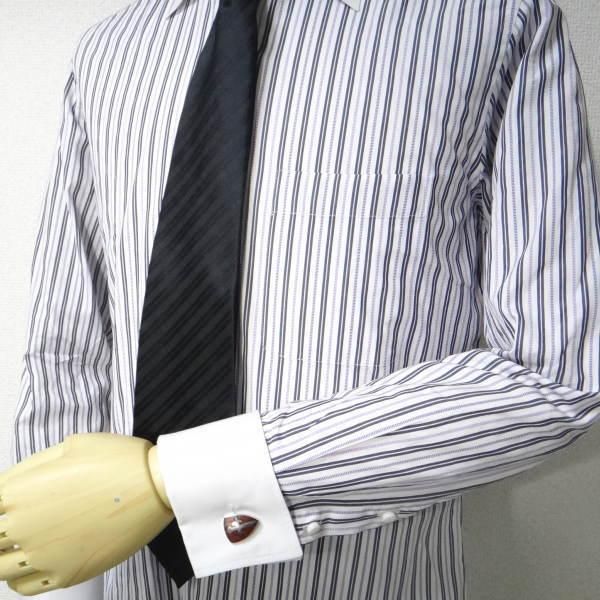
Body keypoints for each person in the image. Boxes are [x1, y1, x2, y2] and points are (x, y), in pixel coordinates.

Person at [2, 0, 599, 598]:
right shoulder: (109, 53)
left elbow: (556, 372)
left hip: (366, 579)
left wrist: (178, 480)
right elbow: (68, 356)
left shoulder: (493, 24)